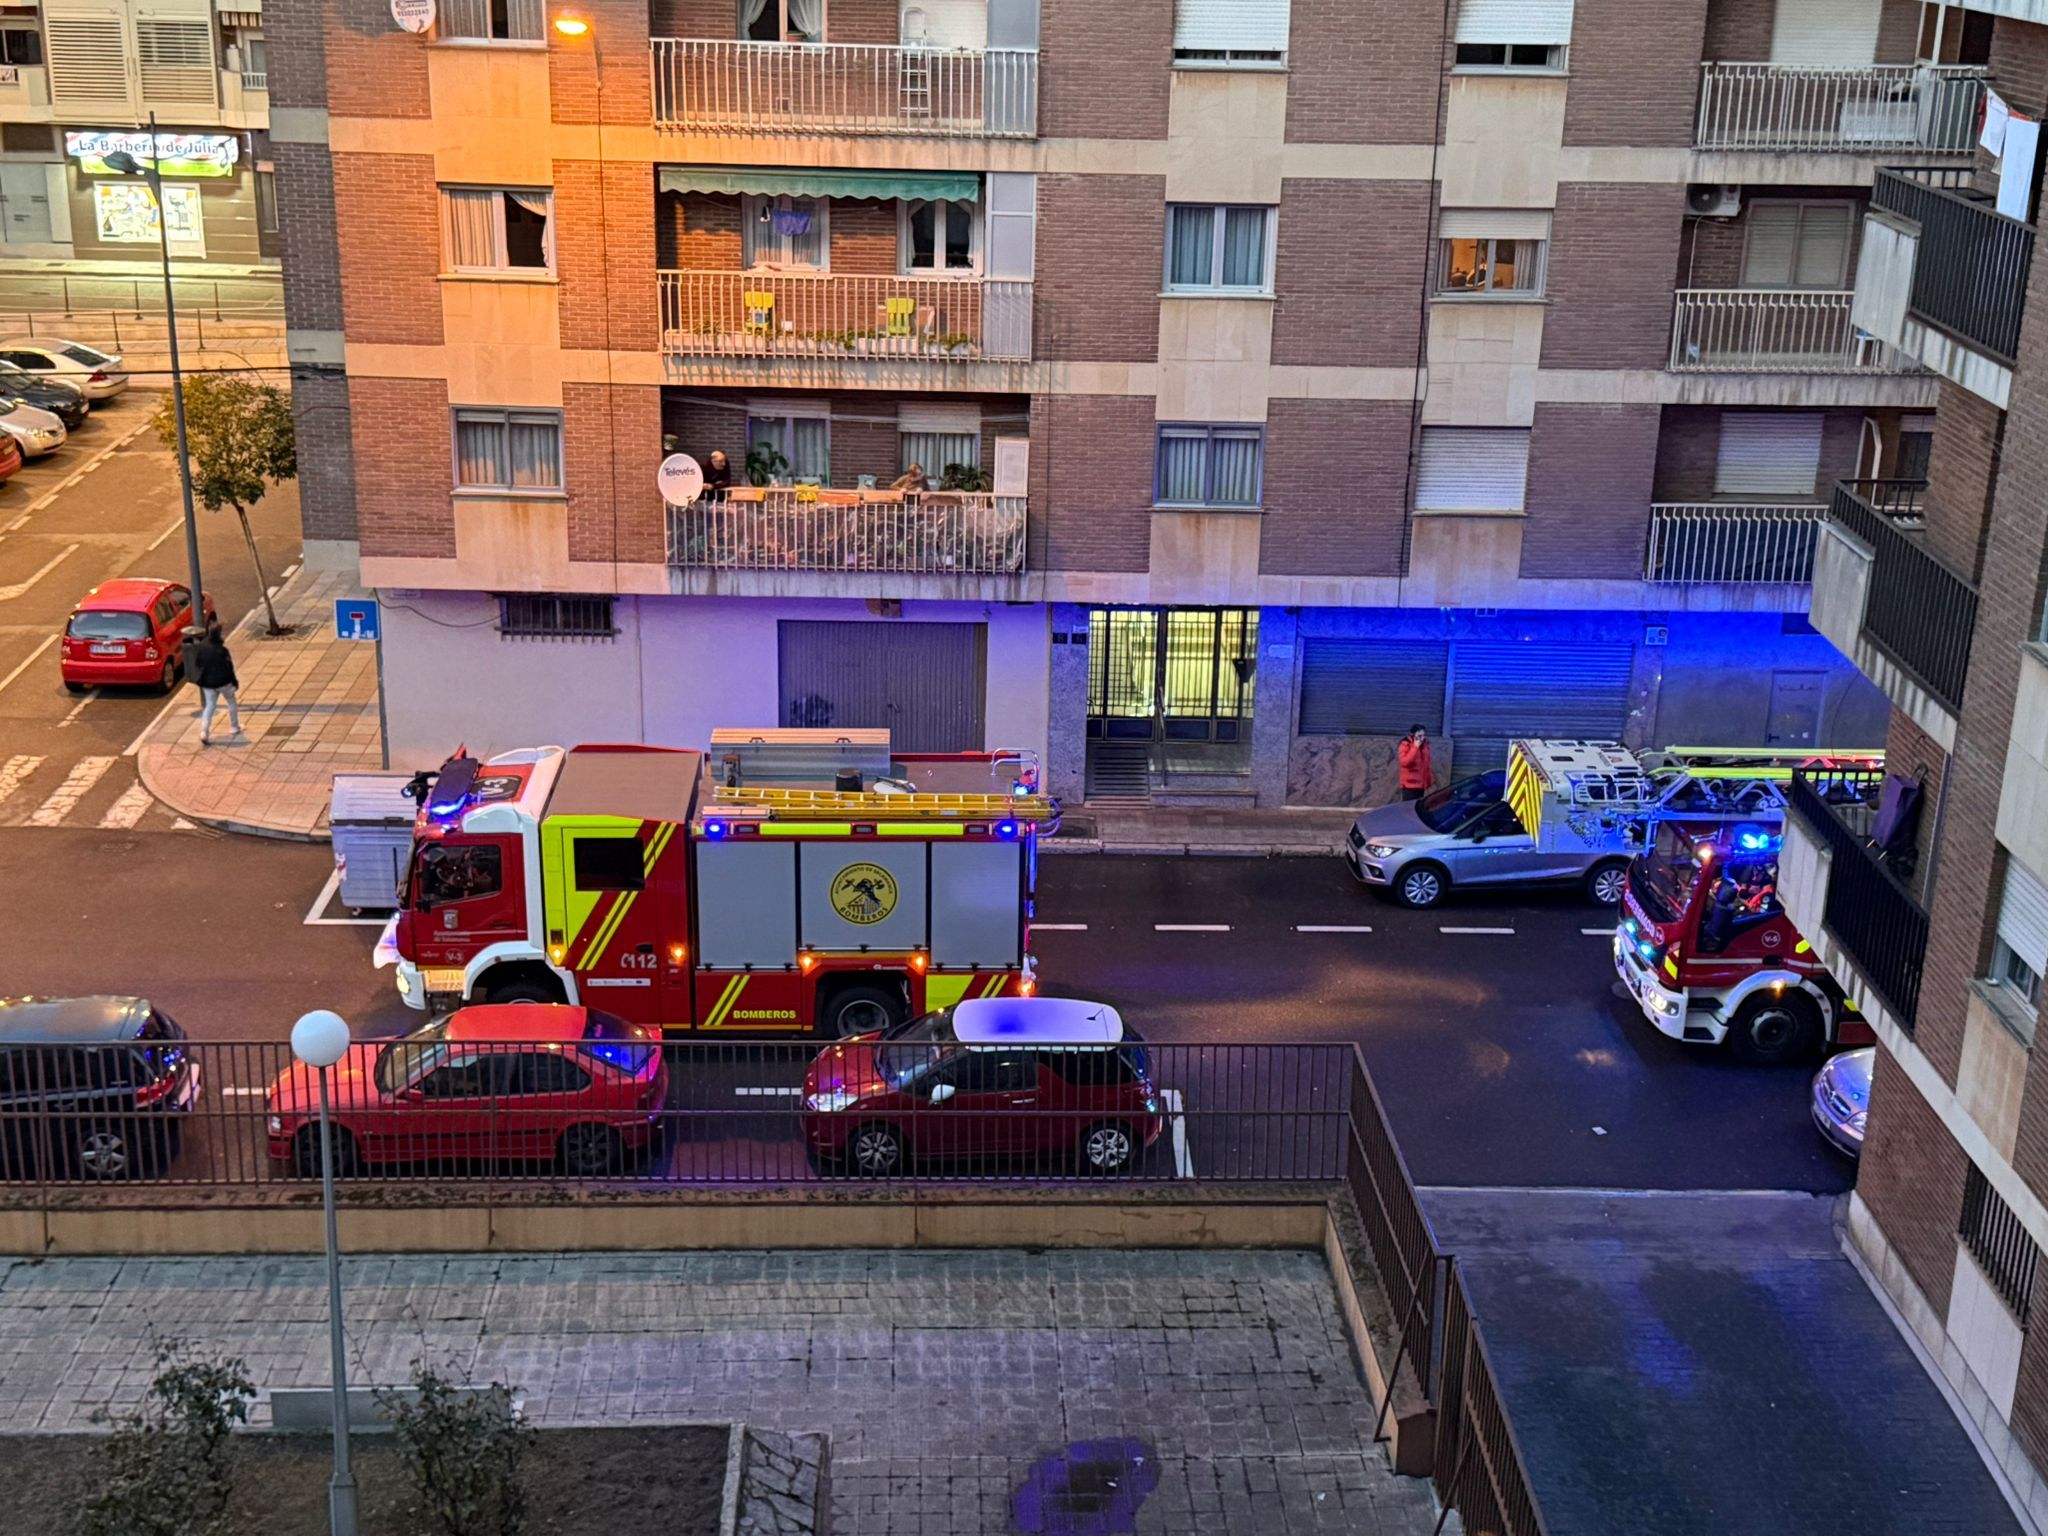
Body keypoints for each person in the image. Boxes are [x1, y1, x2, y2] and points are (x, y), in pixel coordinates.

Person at [188, 623, 241, 746]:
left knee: (210, 706)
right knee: (231, 702)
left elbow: (198, 663)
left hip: (208, 683)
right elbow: (229, 668)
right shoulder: (221, 650)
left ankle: (204, 732)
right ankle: (234, 727)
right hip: (224, 682)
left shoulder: (202, 647)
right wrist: (234, 682)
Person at [1396, 724, 1433, 802]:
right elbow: (1405, 762)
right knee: (1408, 808)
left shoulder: (1425, 745)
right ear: (1413, 735)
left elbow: (1427, 764)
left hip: (1421, 784)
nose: (1422, 738)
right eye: (1419, 736)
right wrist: (1415, 747)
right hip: (1410, 785)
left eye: (1424, 735)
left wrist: (1428, 780)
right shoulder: (1406, 744)